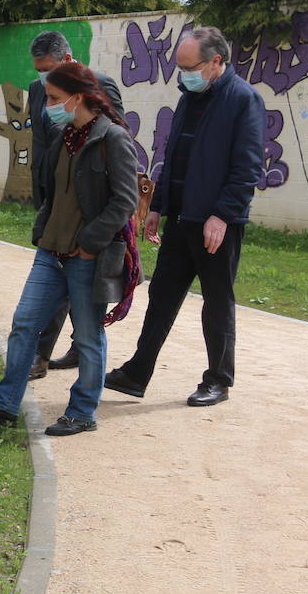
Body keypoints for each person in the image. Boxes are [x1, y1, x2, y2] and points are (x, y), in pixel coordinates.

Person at [0, 62, 139, 435]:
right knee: (25, 323)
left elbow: (124, 201)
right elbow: (50, 192)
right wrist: (42, 232)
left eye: (56, 99)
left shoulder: (113, 139)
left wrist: (90, 245)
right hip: (51, 253)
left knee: (88, 336)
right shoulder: (64, 136)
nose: (50, 107)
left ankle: (81, 412)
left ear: (78, 98)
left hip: (85, 257)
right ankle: (4, 403)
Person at [105, 26, 264, 408]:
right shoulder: (190, 98)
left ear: (216, 62)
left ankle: (218, 380)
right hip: (181, 219)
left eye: (189, 67)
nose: (183, 75)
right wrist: (158, 207)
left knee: (217, 300)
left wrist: (223, 215)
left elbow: (248, 168)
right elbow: (173, 155)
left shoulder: (244, 100)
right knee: (161, 295)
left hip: (216, 226)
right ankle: (137, 373)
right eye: (180, 67)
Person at [26, 31, 125, 380]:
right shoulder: (38, 90)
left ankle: (42, 354)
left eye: (50, 68)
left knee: (71, 281)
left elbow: (114, 138)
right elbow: (40, 141)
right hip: (52, 197)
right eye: (39, 70)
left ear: (68, 60)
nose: (43, 77)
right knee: (55, 278)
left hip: (87, 207)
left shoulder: (101, 85)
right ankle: (65, 348)